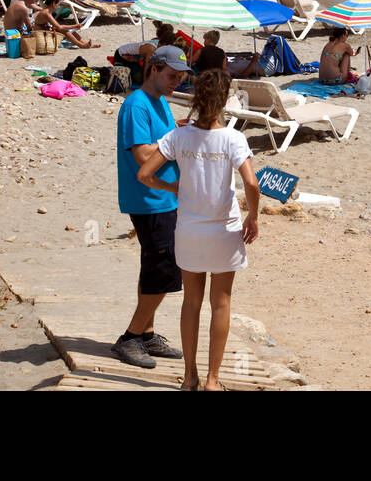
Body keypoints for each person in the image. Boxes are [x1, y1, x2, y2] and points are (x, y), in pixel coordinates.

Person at [138, 69, 260, 391]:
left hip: (189, 231)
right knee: (221, 303)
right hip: (224, 231)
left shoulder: (179, 137)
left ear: (196, 98)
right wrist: (254, 217)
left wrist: (172, 187)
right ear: (223, 100)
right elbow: (251, 182)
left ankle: (189, 376)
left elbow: (145, 175)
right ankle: (212, 380)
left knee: (191, 303)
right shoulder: (233, 138)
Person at [112, 45, 191, 369]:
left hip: (164, 199)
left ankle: (146, 333)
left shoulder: (159, 103)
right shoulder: (137, 105)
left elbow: (161, 143)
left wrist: (178, 132)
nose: (177, 82)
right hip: (151, 200)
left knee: (154, 267)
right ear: (154, 68)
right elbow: (144, 156)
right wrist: (173, 143)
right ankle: (130, 337)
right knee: (162, 270)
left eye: (182, 77)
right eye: (172, 75)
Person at [34, 0, 99, 49]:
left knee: (72, 31)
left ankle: (85, 44)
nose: (59, 6)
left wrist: (73, 27)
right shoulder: (46, 13)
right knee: (65, 31)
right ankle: (81, 45)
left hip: (44, 30)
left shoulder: (47, 11)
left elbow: (56, 26)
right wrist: (75, 26)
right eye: (58, 4)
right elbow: (59, 27)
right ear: (54, 3)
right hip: (41, 34)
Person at [192, 30, 263, 79]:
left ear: (208, 40)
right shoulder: (222, 52)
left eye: (205, 40)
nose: (204, 42)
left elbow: (190, 61)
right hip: (217, 77)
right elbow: (224, 69)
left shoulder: (201, 50)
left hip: (203, 76)